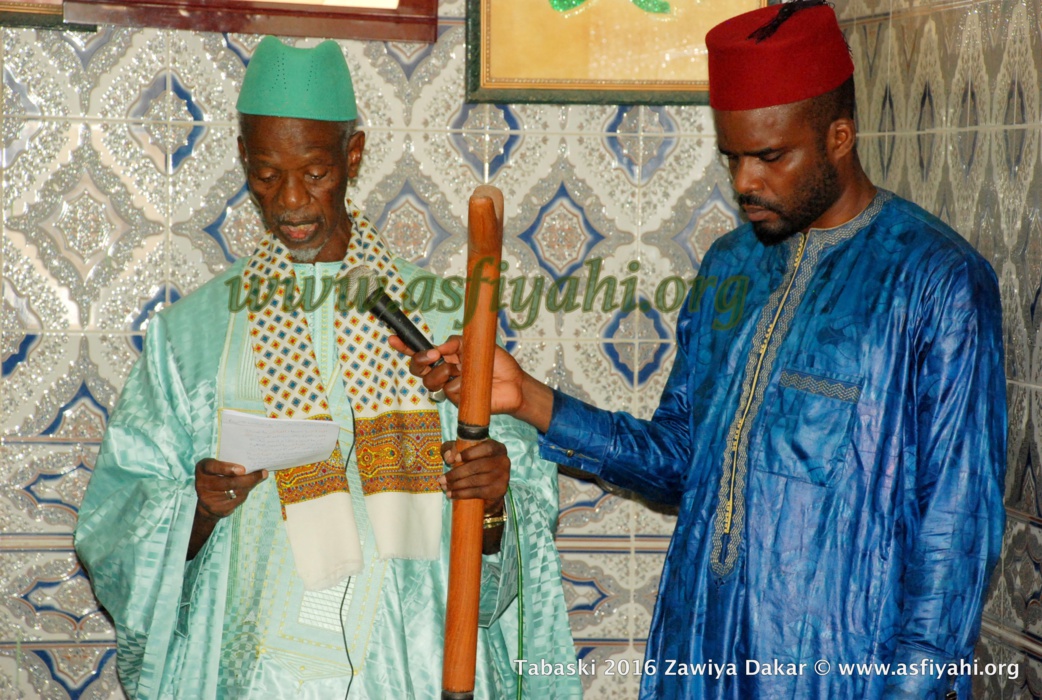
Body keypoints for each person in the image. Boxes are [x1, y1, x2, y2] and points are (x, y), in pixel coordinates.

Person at [403, 3, 1006, 698]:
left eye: (770, 156)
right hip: (701, 652)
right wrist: (530, 398)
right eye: (733, 157)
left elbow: (952, 546)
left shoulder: (936, 283)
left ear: (840, 137)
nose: (745, 182)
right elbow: (677, 464)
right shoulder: (731, 266)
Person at [73, 36, 580, 699]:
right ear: (241, 161)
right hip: (256, 676)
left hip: (414, 668)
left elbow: (515, 512)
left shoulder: (438, 316)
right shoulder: (191, 336)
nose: (288, 201)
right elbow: (117, 518)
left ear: (354, 155)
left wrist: (494, 499)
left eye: (313, 172)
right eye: (264, 173)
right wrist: (196, 511)